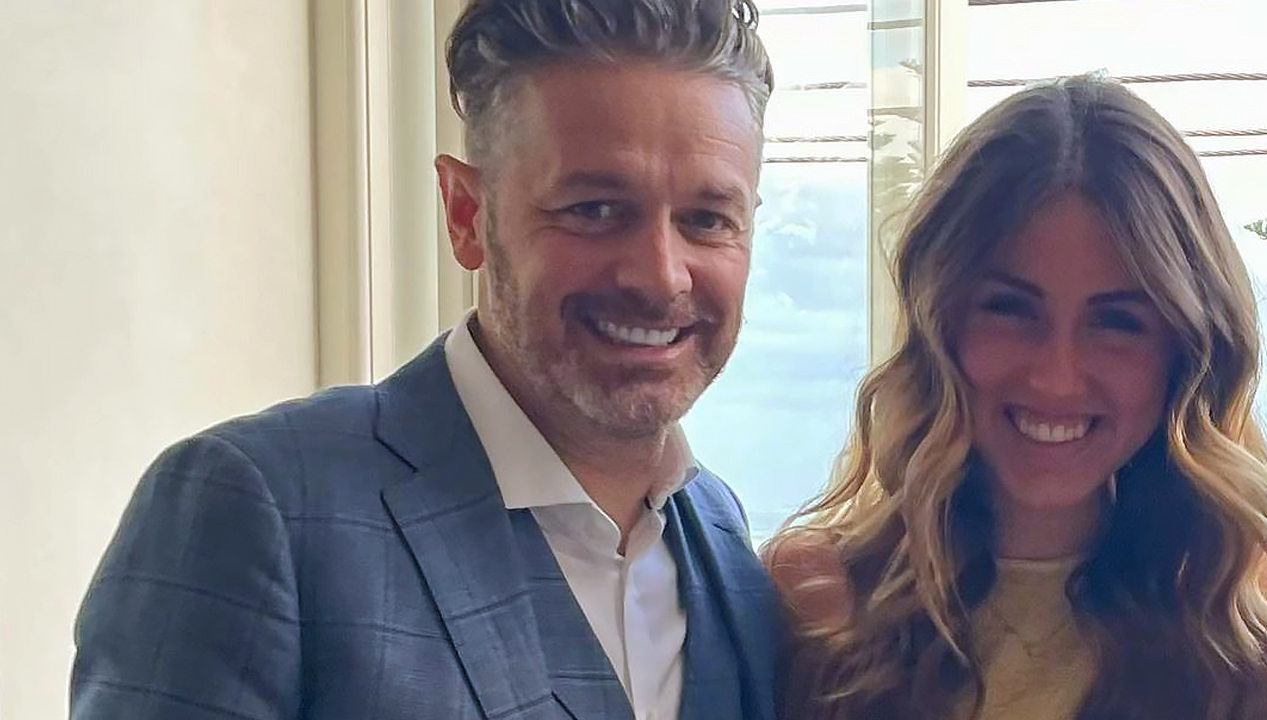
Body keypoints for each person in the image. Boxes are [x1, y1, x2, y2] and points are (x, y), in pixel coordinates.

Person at [71, 2, 779, 718]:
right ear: (465, 214)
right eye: (595, 209)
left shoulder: (723, 540)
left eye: (707, 220)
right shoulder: (260, 509)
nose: (660, 277)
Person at [764, 74, 1267, 720]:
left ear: (1186, 351)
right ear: (939, 321)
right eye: (1010, 309)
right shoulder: (810, 605)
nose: (1056, 376)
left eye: (1117, 322)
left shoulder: (1248, 661)